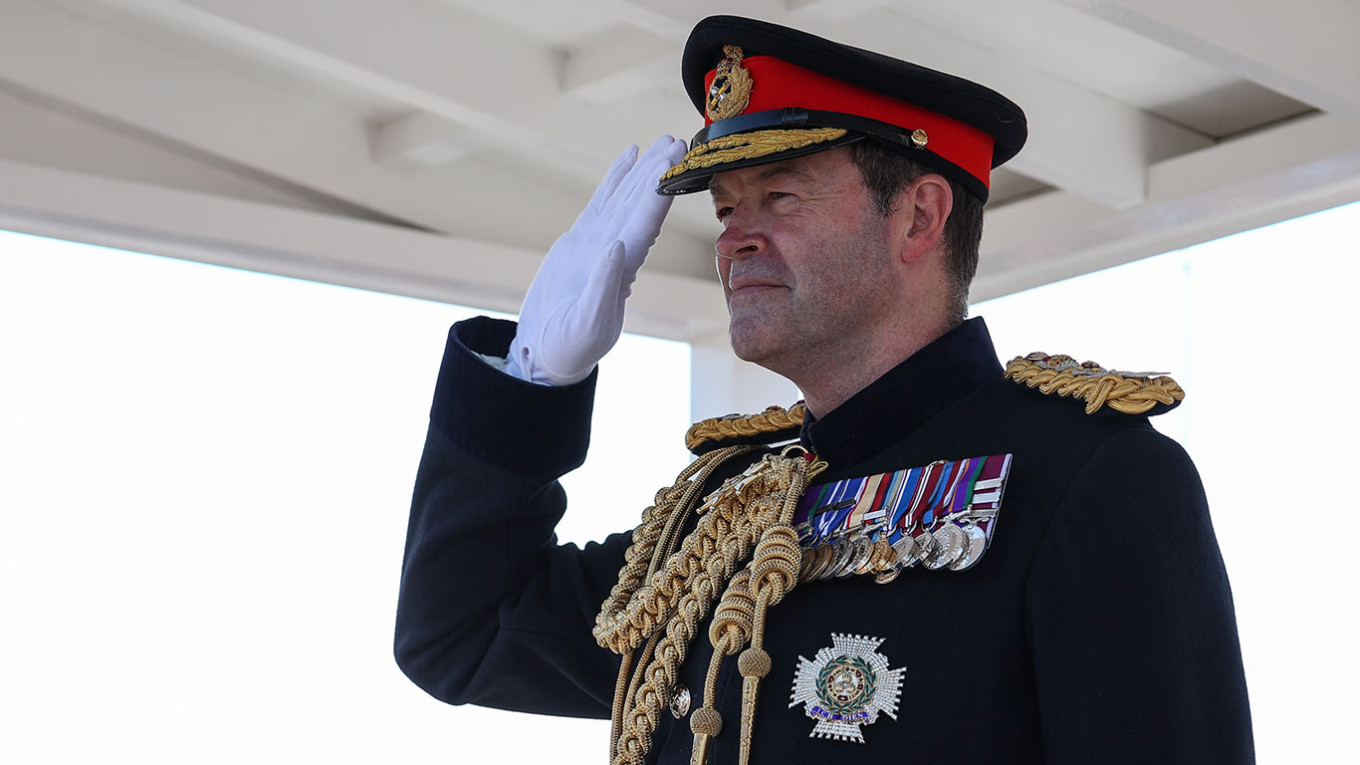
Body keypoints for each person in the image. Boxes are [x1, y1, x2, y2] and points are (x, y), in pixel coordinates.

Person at [395, 15, 1254, 765]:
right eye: (725, 209)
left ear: (918, 216)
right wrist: (533, 375)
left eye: (780, 196)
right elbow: (462, 630)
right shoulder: (726, 519)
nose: (734, 240)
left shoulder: (1085, 480)